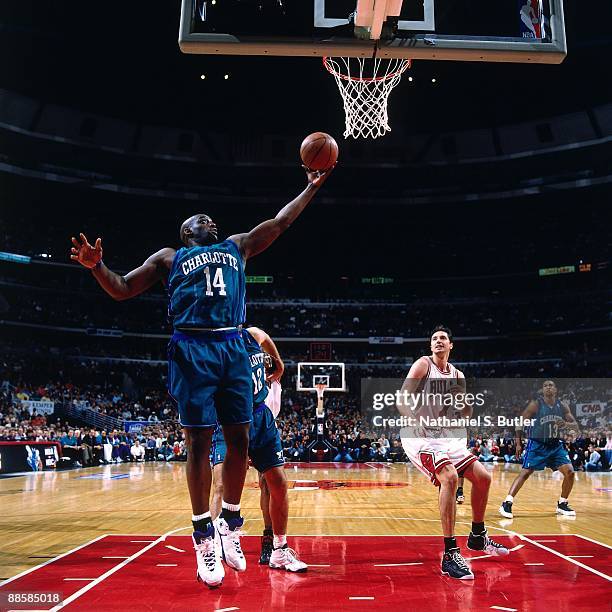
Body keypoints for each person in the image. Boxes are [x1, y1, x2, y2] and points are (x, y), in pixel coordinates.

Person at [69, 165, 332, 587]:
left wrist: (309, 187)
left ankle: (229, 520)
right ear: (186, 232)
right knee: (198, 442)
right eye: (200, 220)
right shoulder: (168, 258)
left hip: (231, 344)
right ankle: (203, 535)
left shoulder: (237, 246)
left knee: (240, 439)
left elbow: (281, 223)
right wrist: (97, 267)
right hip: (192, 348)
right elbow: (121, 288)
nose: (209, 221)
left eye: (211, 220)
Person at [399, 326, 509, 580]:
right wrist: (412, 417)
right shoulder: (423, 365)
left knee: (483, 477)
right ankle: (450, 554)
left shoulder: (458, 375)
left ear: (451, 346)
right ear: (431, 346)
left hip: (446, 437)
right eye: (434, 338)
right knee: (450, 478)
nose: (438, 341)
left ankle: (478, 536)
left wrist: (464, 400)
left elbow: (467, 414)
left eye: (443, 338)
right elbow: (402, 398)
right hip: (420, 436)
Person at [210, 327, 307, 572]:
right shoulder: (215, 345)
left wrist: (279, 362)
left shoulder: (250, 334)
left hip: (261, 416)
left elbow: (264, 336)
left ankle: (280, 550)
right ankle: (214, 545)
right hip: (231, 418)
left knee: (278, 482)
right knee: (222, 484)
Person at [499, 380, 579, 519]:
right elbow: (520, 422)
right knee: (525, 473)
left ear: (556, 389)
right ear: (542, 390)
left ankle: (562, 503)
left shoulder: (563, 406)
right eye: (545, 385)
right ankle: (507, 502)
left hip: (555, 445)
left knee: (570, 472)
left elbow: (575, 426)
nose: (548, 387)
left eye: (551, 385)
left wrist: (565, 423)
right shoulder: (536, 404)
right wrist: (518, 443)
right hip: (537, 444)